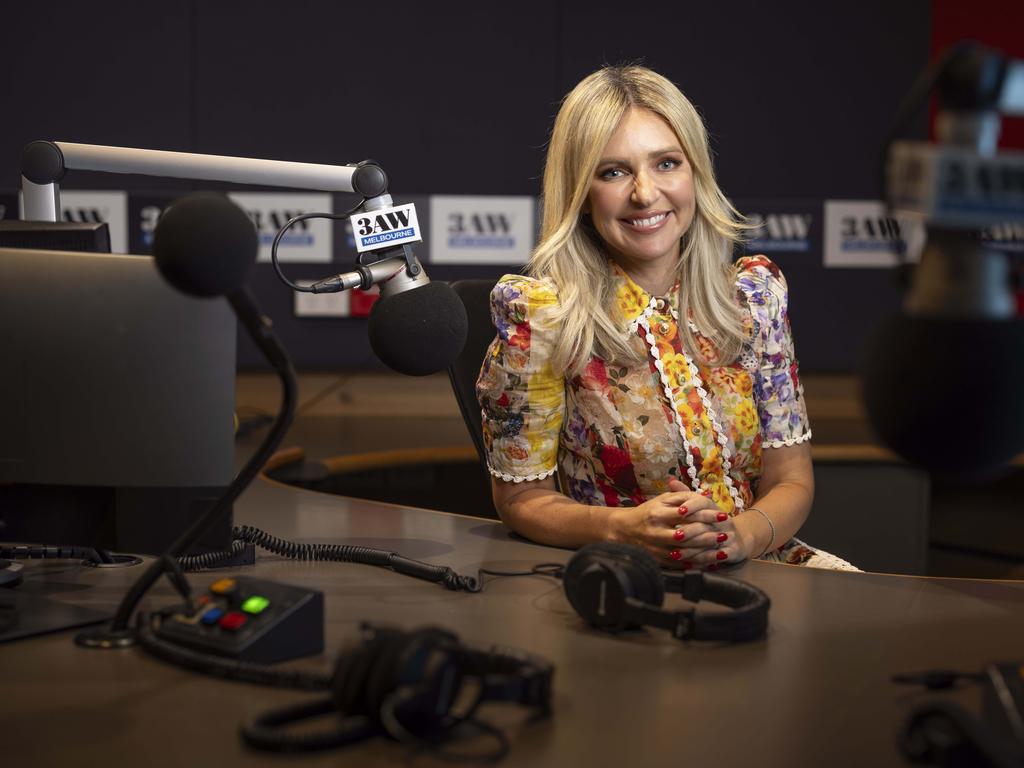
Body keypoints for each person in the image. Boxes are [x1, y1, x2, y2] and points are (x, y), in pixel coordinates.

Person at [476, 65, 855, 571]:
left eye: (666, 163)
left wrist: (737, 537)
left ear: (695, 172)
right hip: (623, 572)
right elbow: (520, 501)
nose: (645, 193)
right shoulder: (544, 318)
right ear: (581, 194)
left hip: (759, 558)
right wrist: (622, 530)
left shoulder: (754, 298)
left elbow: (792, 480)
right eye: (613, 171)